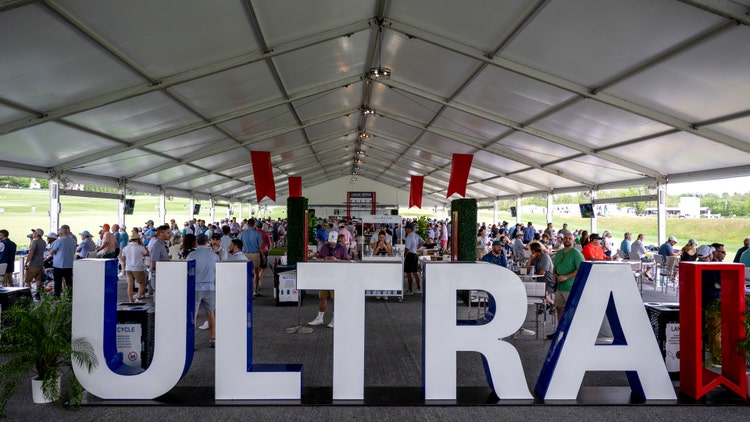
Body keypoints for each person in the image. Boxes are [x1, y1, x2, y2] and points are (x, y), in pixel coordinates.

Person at [308, 232, 350, 328]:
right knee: (322, 297)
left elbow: (347, 262)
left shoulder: (342, 248)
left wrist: (336, 260)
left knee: (335, 298)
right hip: (325, 276)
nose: (332, 243)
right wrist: (325, 259)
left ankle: (335, 319)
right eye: (330, 241)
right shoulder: (324, 247)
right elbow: (318, 258)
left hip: (336, 277)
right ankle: (320, 318)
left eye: (333, 242)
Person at [187, 234, 219, 348]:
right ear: (207, 242)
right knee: (211, 314)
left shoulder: (191, 255)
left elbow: (187, 270)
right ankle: (213, 338)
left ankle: (192, 341)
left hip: (195, 287)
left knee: (194, 315)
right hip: (210, 287)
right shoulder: (214, 255)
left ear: (196, 242)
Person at [552, 232, 585, 325]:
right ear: (562, 240)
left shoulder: (576, 253)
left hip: (570, 286)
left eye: (570, 239)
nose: (567, 240)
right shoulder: (559, 253)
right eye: (566, 238)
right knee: (559, 308)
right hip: (559, 286)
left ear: (574, 241)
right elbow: (555, 266)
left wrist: (566, 276)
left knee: (571, 310)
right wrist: (554, 274)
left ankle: (571, 330)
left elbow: (581, 269)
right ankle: (560, 329)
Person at [48, 225, 76, 296]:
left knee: (58, 283)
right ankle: (70, 296)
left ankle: (57, 297)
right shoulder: (73, 241)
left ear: (60, 233)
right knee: (69, 282)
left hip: (59, 265)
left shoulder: (58, 241)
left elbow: (51, 252)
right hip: (69, 265)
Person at [239, 218, 263, 296]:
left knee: (246, 273)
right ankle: (255, 291)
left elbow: (239, 245)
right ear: (254, 224)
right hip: (255, 254)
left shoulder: (242, 234)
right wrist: (263, 256)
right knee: (256, 272)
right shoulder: (257, 233)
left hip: (245, 254)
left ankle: (246, 290)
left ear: (247, 224)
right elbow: (260, 246)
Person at [121, 236, 149, 302]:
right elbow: (147, 254)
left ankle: (130, 300)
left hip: (128, 268)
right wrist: (142, 245)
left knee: (130, 284)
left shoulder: (125, 248)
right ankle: (138, 298)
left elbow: (123, 258)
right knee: (142, 283)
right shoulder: (140, 247)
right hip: (138, 268)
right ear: (138, 240)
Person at [527, 241, 555, 307]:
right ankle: (546, 305)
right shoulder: (535, 258)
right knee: (533, 291)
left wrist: (534, 272)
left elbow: (542, 272)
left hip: (549, 282)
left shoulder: (545, 257)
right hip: (539, 281)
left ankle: (551, 304)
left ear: (533, 251)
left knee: (542, 293)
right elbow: (528, 271)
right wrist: (530, 259)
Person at [147, 224, 171, 297]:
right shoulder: (157, 245)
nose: (169, 235)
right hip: (159, 275)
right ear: (161, 233)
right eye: (168, 233)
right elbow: (153, 263)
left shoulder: (163, 244)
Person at [24, 229, 46, 298]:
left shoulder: (35, 241)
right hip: (40, 263)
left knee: (27, 281)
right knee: (38, 280)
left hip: (33, 264)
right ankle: (38, 294)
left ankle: (28, 296)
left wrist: (26, 262)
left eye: (34, 233)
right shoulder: (43, 242)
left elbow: (31, 253)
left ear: (36, 234)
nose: (32, 234)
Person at [403, 223, 425, 295]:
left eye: (406, 228)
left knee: (409, 273)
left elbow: (407, 248)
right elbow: (423, 242)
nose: (405, 230)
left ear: (410, 229)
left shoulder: (409, 236)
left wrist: (404, 256)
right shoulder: (416, 235)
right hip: (415, 254)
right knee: (415, 272)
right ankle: (419, 288)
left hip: (410, 255)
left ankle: (410, 290)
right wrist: (417, 247)